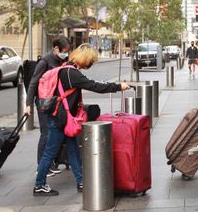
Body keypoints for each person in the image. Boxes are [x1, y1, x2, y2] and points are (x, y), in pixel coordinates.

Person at [33, 44, 131, 196]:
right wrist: (118, 86)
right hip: (60, 119)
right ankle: (39, 185)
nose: (91, 64)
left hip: (65, 119)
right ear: (85, 59)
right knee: (50, 153)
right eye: (91, 61)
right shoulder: (72, 74)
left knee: (73, 151)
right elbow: (95, 86)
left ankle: (81, 181)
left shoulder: (67, 68)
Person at [25, 36, 71, 177]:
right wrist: (28, 104)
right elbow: (33, 83)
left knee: (53, 132)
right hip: (44, 103)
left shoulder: (61, 60)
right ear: (55, 48)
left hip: (55, 102)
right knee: (45, 133)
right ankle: (41, 166)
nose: (65, 54)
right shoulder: (45, 62)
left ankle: (50, 163)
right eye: (64, 51)